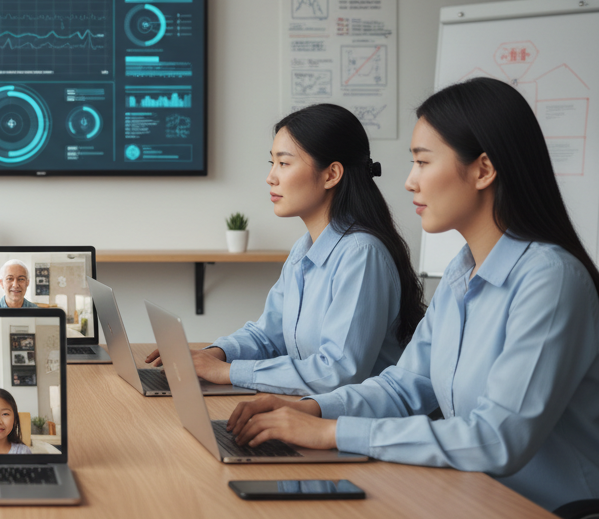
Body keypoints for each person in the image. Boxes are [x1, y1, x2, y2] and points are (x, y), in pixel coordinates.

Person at [226, 78, 599, 519]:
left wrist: (334, 433)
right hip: (484, 512)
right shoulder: (465, 272)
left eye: (423, 161)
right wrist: (312, 410)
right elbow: (404, 386)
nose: (408, 180)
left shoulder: (549, 281)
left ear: (483, 169)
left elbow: (496, 438)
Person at [145, 104, 424, 396]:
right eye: (272, 163)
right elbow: (268, 335)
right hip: (310, 414)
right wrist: (214, 354)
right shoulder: (304, 250)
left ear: (331, 175)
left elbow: (338, 372)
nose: (271, 177)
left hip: (355, 428)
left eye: (284, 163)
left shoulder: (361, 254)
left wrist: (227, 372)